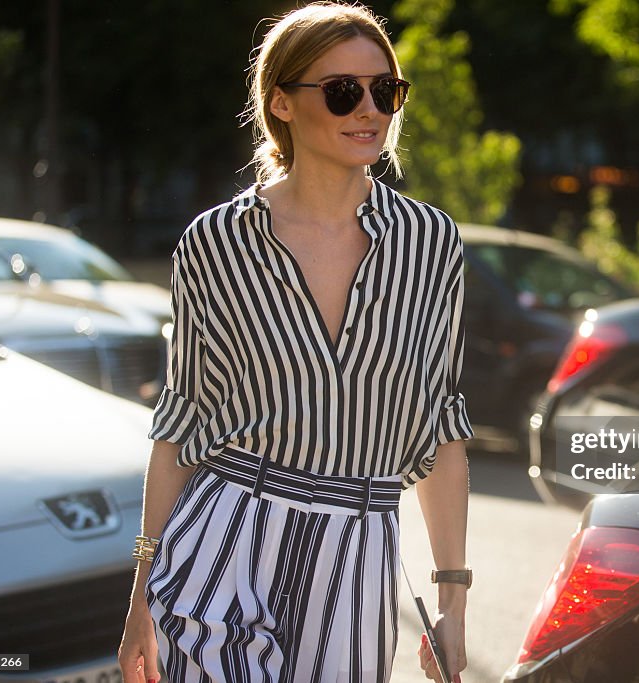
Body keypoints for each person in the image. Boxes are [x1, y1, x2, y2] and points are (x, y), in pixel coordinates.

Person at [116, 3, 473, 682]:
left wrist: (453, 600)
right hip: (224, 537)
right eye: (343, 91)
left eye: (384, 90)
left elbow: (441, 427)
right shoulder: (215, 243)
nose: (369, 109)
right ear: (281, 102)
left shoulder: (431, 244)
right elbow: (181, 422)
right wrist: (141, 591)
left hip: (360, 541)